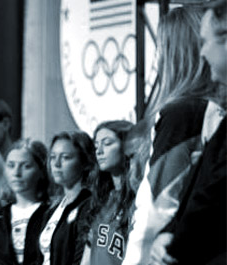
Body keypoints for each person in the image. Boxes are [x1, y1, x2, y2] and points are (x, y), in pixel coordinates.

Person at [122, 6, 224, 264]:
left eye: (161, 47)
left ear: (175, 53)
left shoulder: (181, 113)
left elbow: (157, 208)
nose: (157, 58)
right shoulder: (213, 111)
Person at [152, 1, 227, 264]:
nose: (203, 52)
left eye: (205, 42)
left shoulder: (181, 113)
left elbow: (158, 207)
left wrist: (170, 242)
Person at [0, 139, 52, 265]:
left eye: (26, 166)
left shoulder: (51, 212)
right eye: (11, 165)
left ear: (42, 171)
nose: (16, 173)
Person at [79, 121, 135, 265]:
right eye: (96, 145)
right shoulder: (101, 199)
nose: (99, 151)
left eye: (107, 143)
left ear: (128, 146)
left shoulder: (140, 198)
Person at [38, 131, 97, 265]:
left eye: (65, 157)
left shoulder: (89, 206)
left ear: (85, 163)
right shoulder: (52, 210)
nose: (56, 164)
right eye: (53, 157)